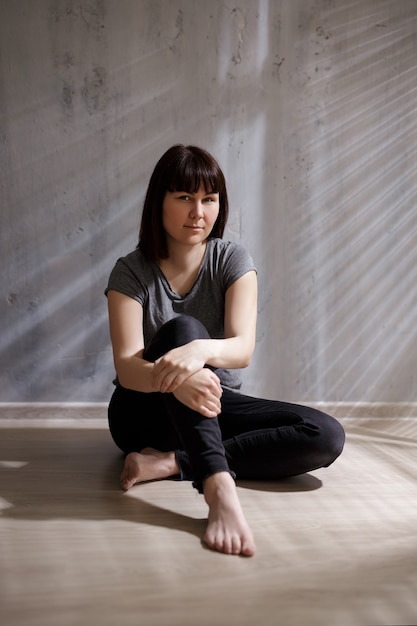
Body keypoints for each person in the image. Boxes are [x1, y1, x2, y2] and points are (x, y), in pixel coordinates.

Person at [105, 144, 345, 557]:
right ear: (158, 201)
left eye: (208, 199)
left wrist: (196, 354)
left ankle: (173, 462)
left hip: (212, 402)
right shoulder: (130, 271)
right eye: (184, 197)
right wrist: (176, 379)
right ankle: (218, 488)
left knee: (324, 435)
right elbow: (128, 368)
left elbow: (241, 349)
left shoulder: (232, 260)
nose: (198, 212)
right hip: (141, 412)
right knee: (182, 326)